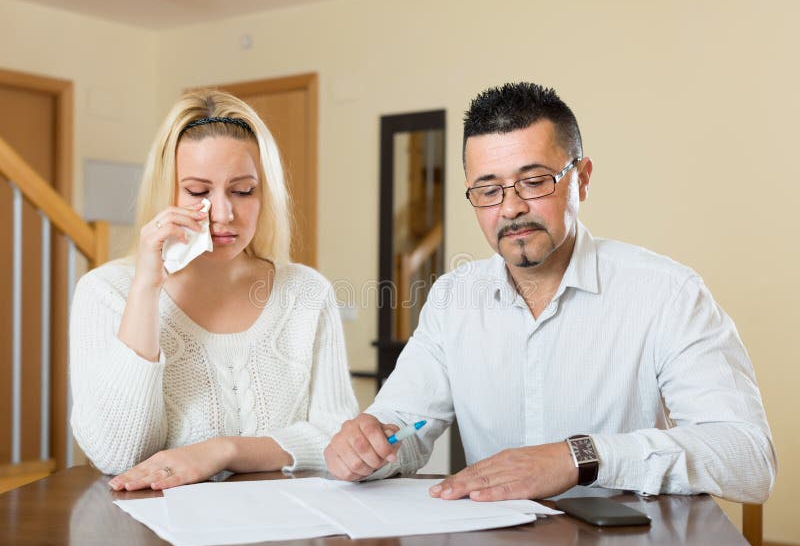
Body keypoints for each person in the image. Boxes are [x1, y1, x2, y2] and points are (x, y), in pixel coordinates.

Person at [324, 82, 776, 504]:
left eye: (534, 181)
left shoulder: (666, 293)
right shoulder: (452, 298)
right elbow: (402, 426)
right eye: (488, 189)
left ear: (582, 178)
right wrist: (367, 447)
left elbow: (749, 458)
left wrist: (579, 457)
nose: (511, 207)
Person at [70, 90, 358, 491]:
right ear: (167, 192)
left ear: (264, 194)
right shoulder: (105, 292)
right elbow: (118, 454)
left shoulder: (308, 293)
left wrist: (224, 451)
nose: (223, 214)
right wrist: (147, 289)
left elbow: (340, 438)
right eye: (198, 192)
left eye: (242, 191)